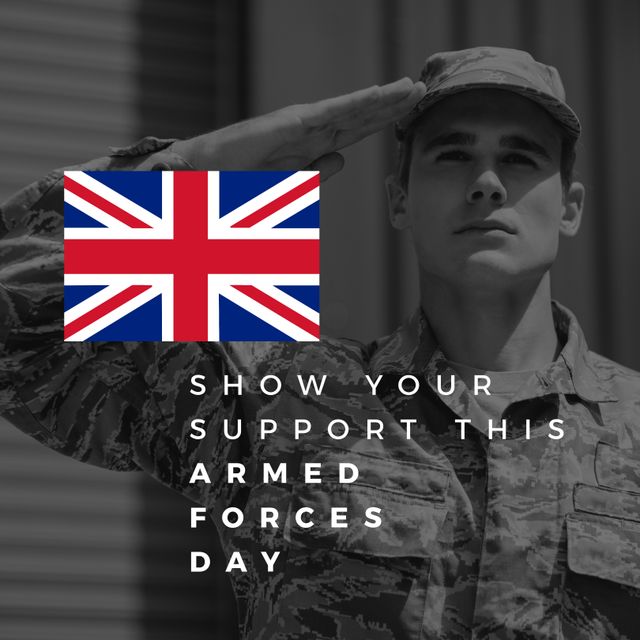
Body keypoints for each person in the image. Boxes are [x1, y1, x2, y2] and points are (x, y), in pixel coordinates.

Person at [1, 46, 639, 639]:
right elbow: (16, 328)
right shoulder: (279, 396)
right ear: (398, 200)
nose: (487, 184)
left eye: (521, 158)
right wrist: (187, 182)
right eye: (453, 155)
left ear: (570, 208)